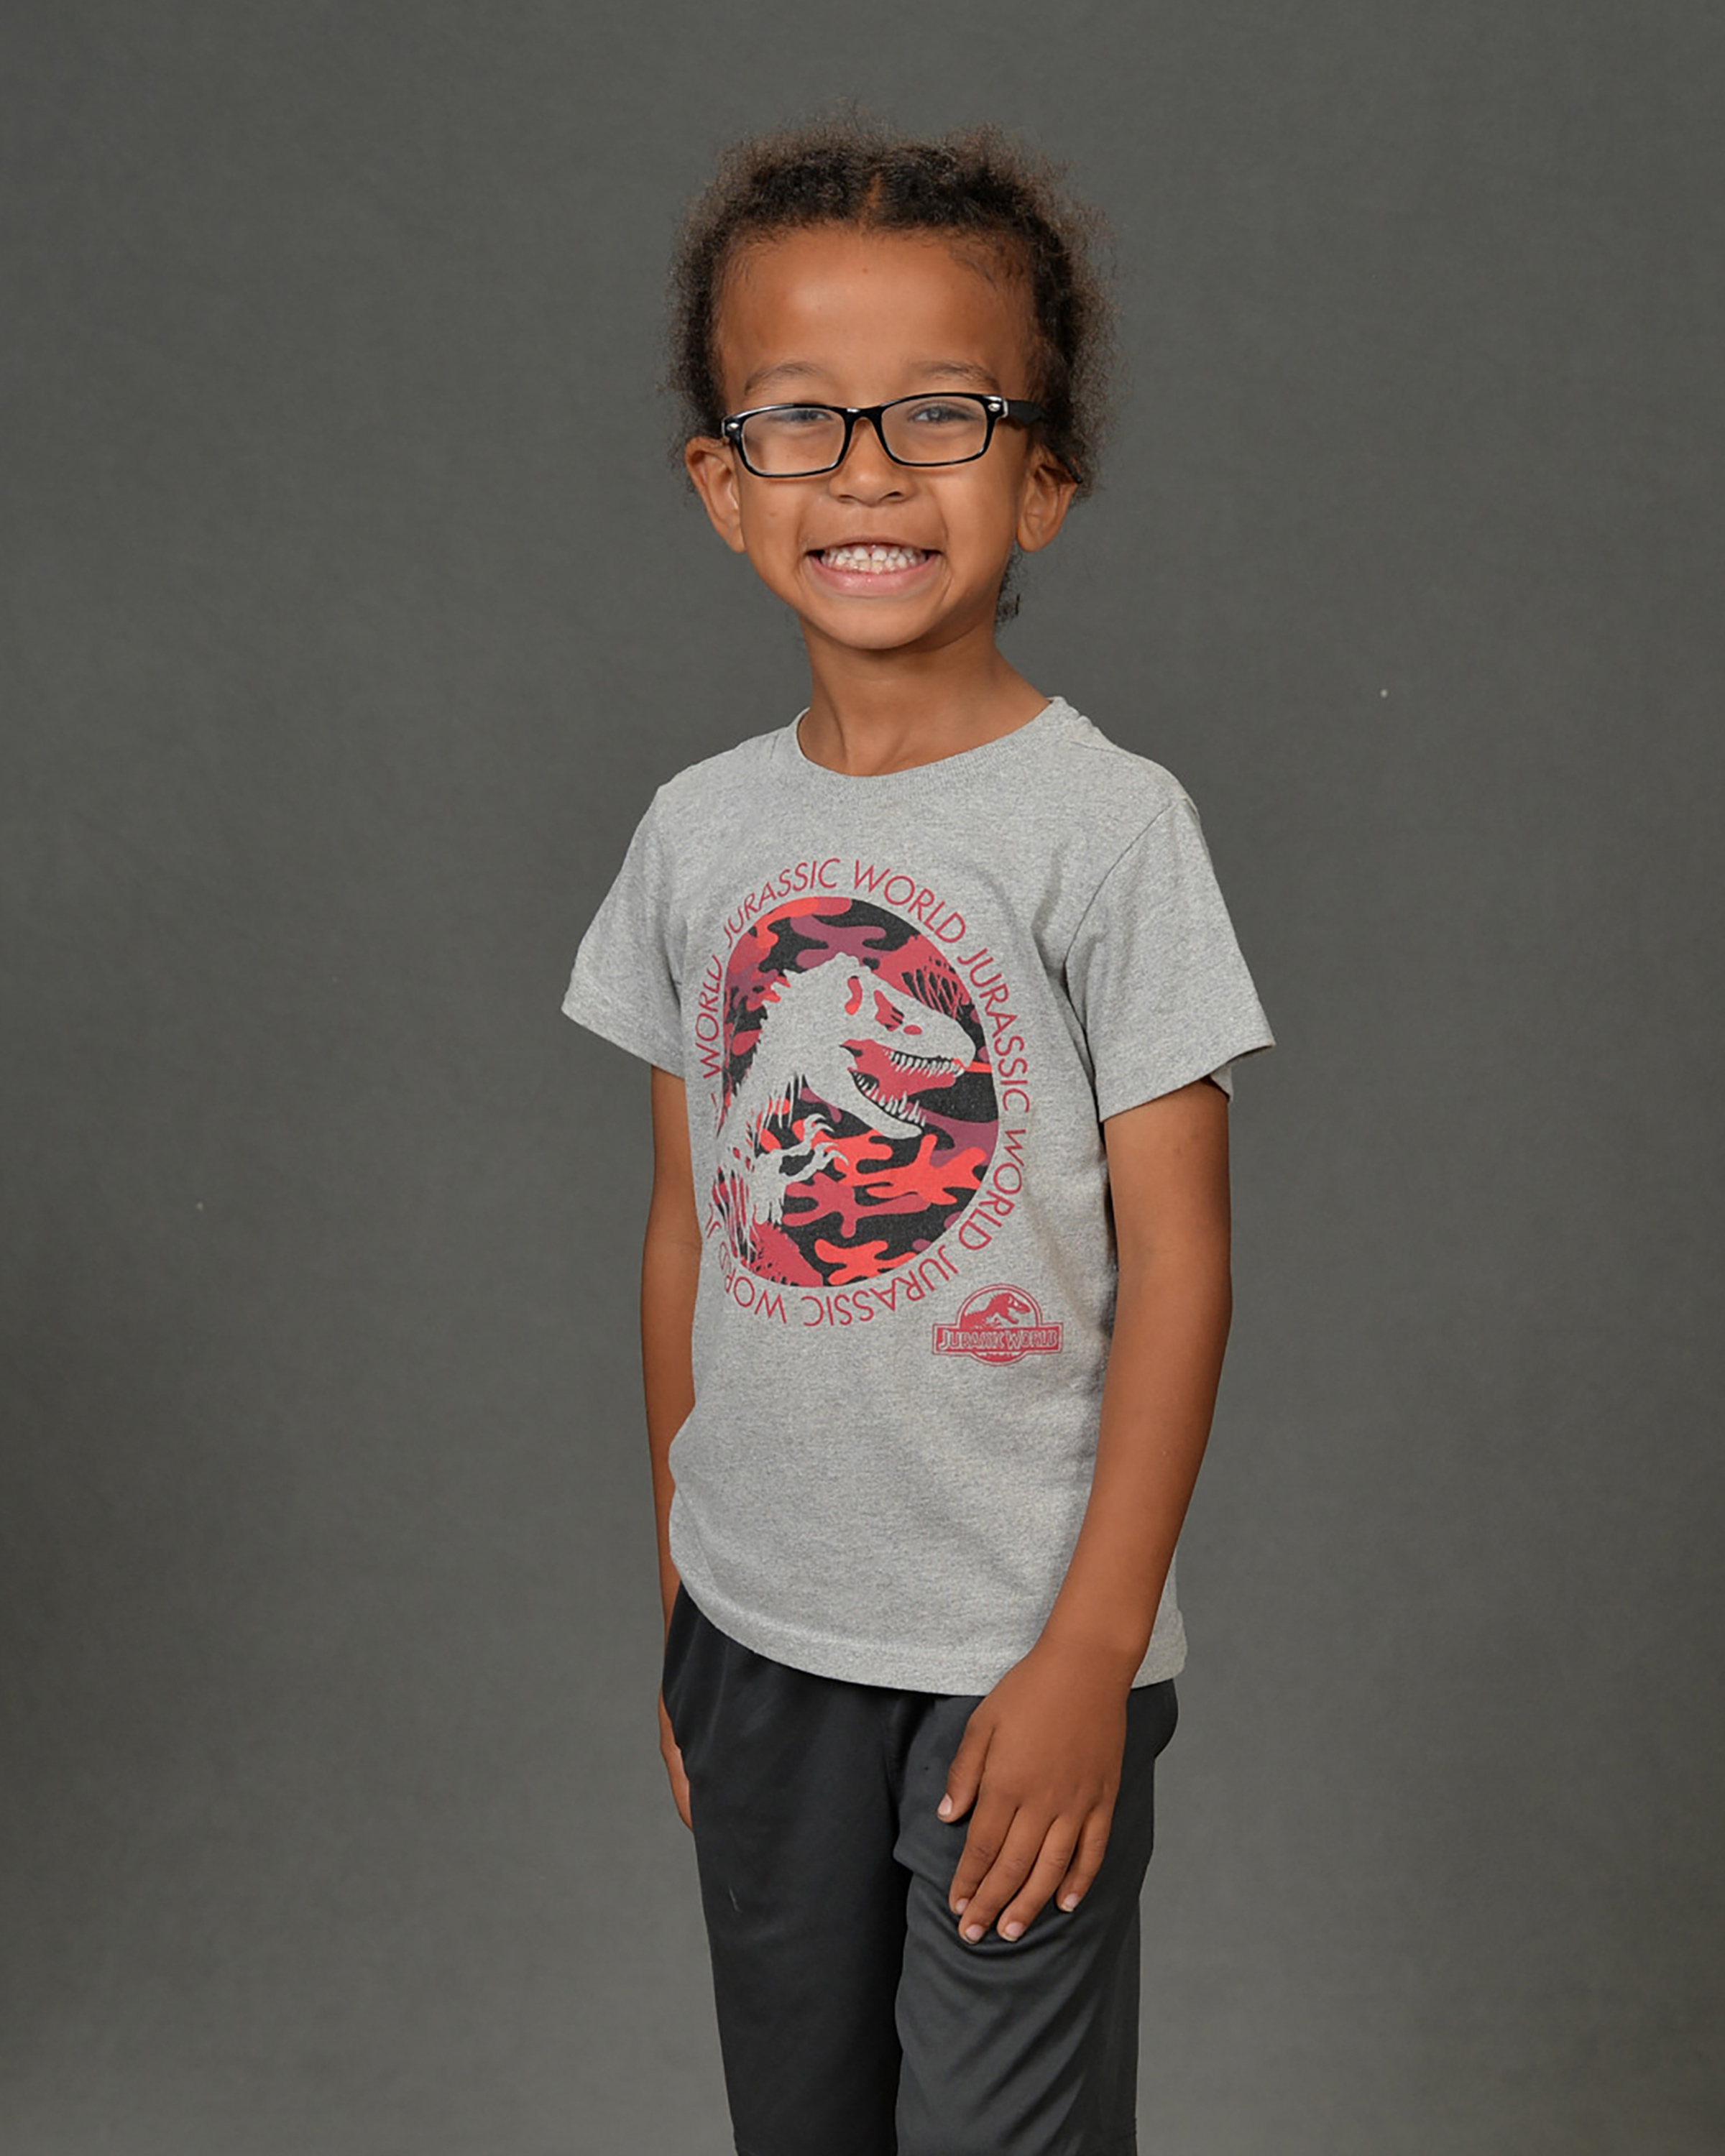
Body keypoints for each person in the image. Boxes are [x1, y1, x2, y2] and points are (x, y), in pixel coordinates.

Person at [562, 116, 1274, 2156]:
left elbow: (1184, 1259)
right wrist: (684, 1597)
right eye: (800, 418)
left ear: (1043, 476)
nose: (869, 470)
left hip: (1013, 1650)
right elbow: (689, 1229)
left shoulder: (1107, 827)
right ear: (722, 484)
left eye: (941, 414)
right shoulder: (698, 833)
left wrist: (1093, 1650)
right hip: (757, 1642)